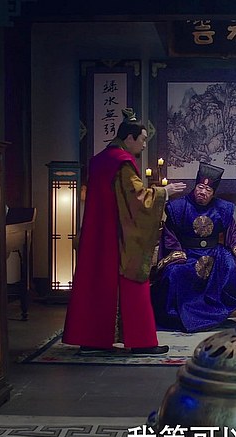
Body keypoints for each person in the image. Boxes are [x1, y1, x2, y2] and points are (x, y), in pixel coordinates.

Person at [63, 108, 186, 355]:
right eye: (142, 140)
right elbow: (138, 198)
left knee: (96, 283)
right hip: (120, 235)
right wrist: (164, 192)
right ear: (129, 138)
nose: (143, 145)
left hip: (98, 233)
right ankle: (141, 342)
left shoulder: (99, 160)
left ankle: (92, 341)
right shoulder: (123, 162)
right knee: (133, 281)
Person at [151, 162, 236, 332]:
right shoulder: (178, 207)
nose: (203, 192)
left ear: (213, 193)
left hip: (215, 253)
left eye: (208, 190)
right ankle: (176, 317)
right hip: (187, 253)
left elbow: (232, 231)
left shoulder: (223, 208)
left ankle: (219, 311)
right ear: (195, 187)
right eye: (200, 187)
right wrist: (177, 254)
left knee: (231, 266)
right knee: (174, 273)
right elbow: (169, 235)